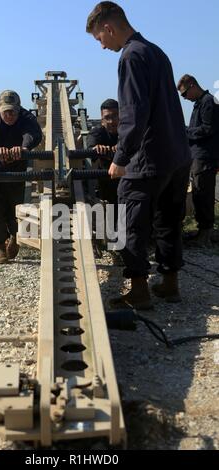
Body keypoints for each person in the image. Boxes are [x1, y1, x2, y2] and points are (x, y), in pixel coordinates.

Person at [86, 2, 191, 310]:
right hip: (177, 155)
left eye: (99, 39)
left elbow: (133, 113)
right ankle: (169, 284)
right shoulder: (156, 51)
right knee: (169, 219)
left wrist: (121, 157)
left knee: (130, 217)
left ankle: (139, 290)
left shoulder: (130, 56)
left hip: (150, 157)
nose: (103, 46)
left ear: (109, 28)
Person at [0, 90, 42, 264]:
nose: (10, 115)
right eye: (6, 112)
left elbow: (33, 134)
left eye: (13, 112)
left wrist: (24, 148)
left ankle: (16, 238)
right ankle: (0, 246)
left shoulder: (26, 117)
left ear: (19, 109)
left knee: (16, 207)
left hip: (17, 169)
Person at [177, 75, 219, 247]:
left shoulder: (208, 102)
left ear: (193, 86)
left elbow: (208, 129)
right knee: (198, 194)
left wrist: (185, 132)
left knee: (204, 194)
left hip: (205, 156)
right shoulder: (200, 103)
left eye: (185, 93)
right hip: (198, 155)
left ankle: (206, 234)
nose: (185, 98)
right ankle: (203, 230)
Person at [87, 98, 121, 263]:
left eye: (115, 116)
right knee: (98, 206)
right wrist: (96, 149)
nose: (111, 120)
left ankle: (119, 246)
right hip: (102, 181)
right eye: (107, 117)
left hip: (122, 180)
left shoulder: (127, 133)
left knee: (120, 210)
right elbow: (90, 145)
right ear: (102, 119)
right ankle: (96, 241)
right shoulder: (97, 132)